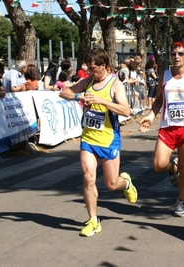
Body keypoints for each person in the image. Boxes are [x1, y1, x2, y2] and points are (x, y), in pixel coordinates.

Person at [59, 47, 137, 237]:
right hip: (88, 138)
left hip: (109, 139)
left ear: (104, 66)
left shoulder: (115, 85)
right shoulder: (87, 82)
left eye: (93, 68)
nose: (89, 72)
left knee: (111, 184)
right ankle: (93, 220)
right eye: (88, 69)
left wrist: (102, 102)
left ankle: (125, 183)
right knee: (88, 177)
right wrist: (80, 96)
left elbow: (126, 111)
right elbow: (64, 93)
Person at [139, 41, 184, 217]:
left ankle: (180, 202)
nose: (176, 57)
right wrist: (150, 115)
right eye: (173, 54)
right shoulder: (165, 75)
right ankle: (172, 169)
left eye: (180, 53)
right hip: (167, 127)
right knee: (158, 165)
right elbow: (159, 100)